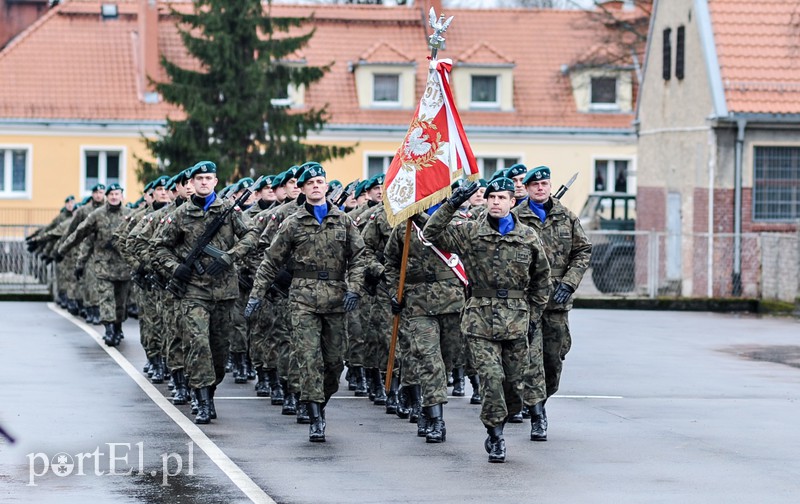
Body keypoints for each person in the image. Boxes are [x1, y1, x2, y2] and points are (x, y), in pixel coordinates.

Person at [422, 177, 550, 463]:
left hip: (516, 318)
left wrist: (534, 313)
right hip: (480, 317)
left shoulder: (527, 236)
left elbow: (542, 279)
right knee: (491, 378)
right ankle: (495, 435)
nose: (495, 202)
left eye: (502, 198)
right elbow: (431, 233)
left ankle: (502, 419)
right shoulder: (470, 232)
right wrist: (453, 203)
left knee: (515, 384)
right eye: (491, 197)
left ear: (512, 202)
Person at [246, 163, 367, 443]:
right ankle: (315, 417)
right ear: (301, 189)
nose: (316, 185)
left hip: (337, 298)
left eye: (320, 181)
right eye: (310, 182)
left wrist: (356, 289)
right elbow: (270, 261)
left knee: (334, 363)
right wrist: (256, 295)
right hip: (302, 299)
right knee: (308, 358)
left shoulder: (344, 221)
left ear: (326, 187)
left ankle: (319, 402)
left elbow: (360, 256)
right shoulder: (292, 223)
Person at [152, 161, 258, 424]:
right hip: (193, 292)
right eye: (198, 178)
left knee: (219, 350)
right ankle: (202, 401)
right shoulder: (181, 214)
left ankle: (210, 390)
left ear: (215, 182)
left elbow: (253, 235)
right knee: (197, 345)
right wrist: (176, 268)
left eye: (208, 178)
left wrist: (229, 257)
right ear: (192, 183)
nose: (203, 182)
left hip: (224, 292)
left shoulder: (229, 211)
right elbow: (158, 247)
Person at [513, 165, 591, 441]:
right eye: (535, 185)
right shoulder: (516, 218)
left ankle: (540, 401)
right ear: (529, 189)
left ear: (549, 186)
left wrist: (570, 282)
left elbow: (582, 251)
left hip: (557, 301)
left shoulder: (566, 217)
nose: (540, 188)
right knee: (532, 360)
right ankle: (537, 416)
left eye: (544, 183)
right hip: (528, 300)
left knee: (552, 360)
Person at [384, 208, 466, 443]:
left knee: (447, 359)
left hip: (452, 302)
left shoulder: (458, 222)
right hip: (418, 303)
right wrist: (394, 292)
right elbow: (391, 262)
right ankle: (435, 418)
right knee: (429, 360)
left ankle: (425, 403)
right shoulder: (406, 226)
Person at [57, 183, 132, 345]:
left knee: (120, 303)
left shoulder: (129, 215)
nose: (114, 197)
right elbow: (80, 234)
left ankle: (117, 326)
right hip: (103, 266)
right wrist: (62, 250)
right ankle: (109, 330)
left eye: (117, 194)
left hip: (124, 267)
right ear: (107, 196)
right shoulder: (97, 215)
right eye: (111, 194)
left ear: (121, 196)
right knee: (105, 299)